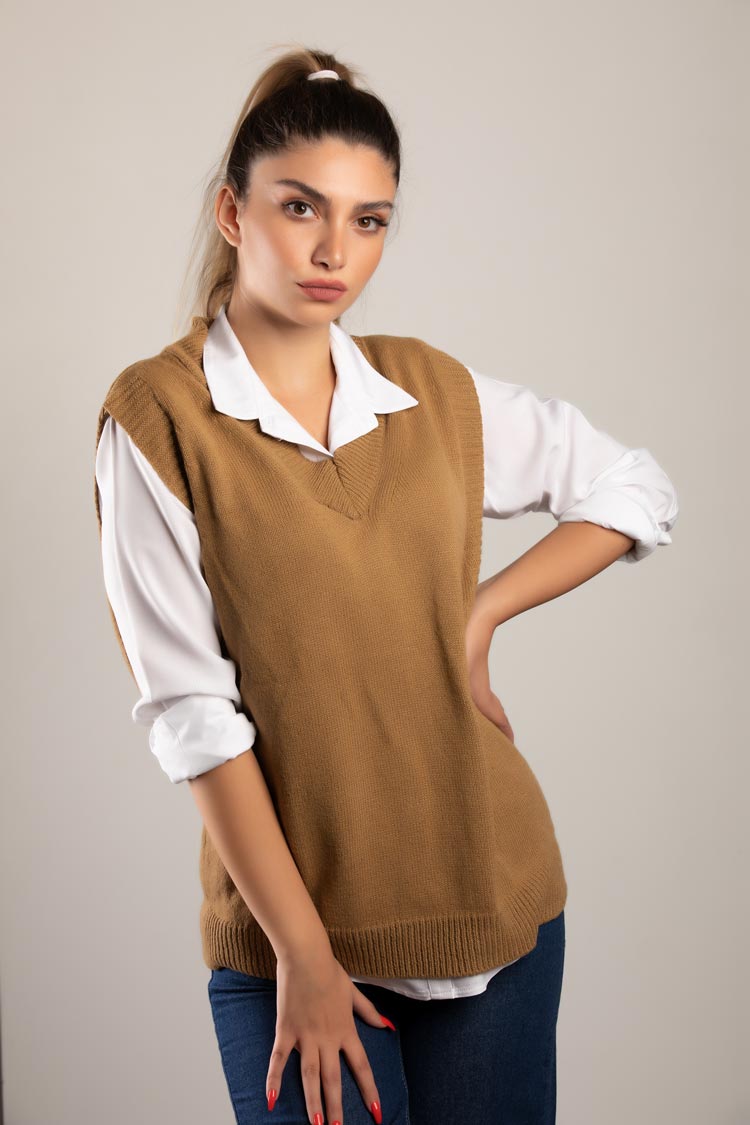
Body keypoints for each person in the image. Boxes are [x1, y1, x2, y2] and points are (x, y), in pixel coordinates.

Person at [93, 45, 679, 1125]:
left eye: (368, 220)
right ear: (232, 212)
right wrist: (305, 958)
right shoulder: (159, 419)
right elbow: (193, 717)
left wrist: (482, 611)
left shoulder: (429, 393)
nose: (334, 250)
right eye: (300, 208)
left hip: (494, 904)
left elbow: (634, 486)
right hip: (295, 943)